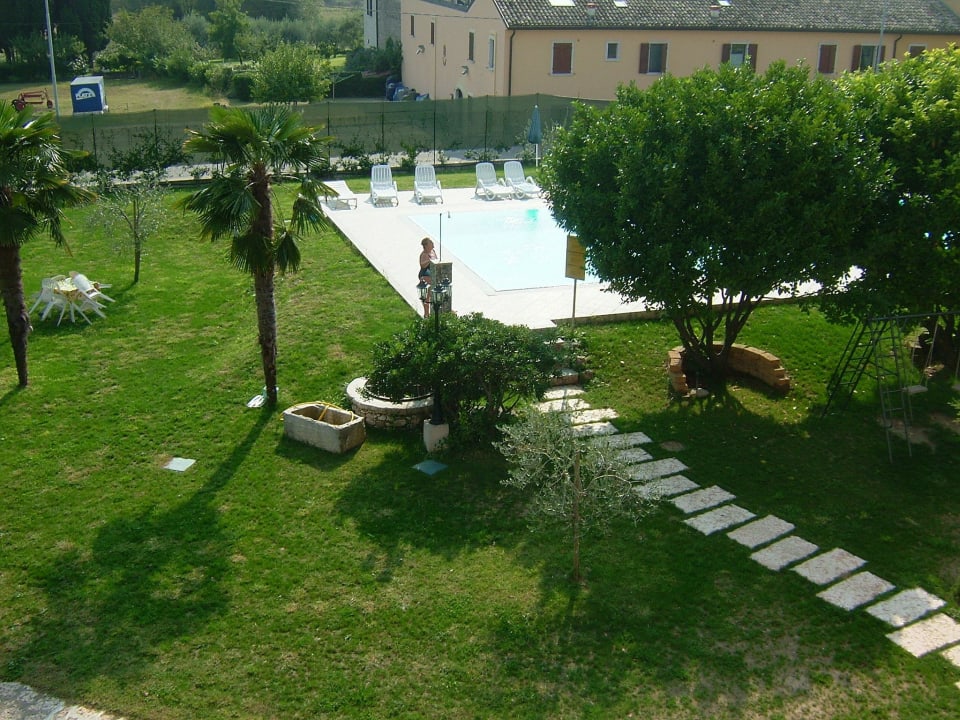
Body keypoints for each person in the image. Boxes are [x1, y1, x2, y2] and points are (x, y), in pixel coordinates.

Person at [418, 237, 437, 317]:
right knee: (427, 295)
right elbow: (422, 265)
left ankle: (431, 312)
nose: (432, 243)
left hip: (432, 274)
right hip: (425, 275)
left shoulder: (433, 252)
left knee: (431, 294)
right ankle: (426, 313)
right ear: (426, 245)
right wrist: (429, 260)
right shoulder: (424, 254)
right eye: (430, 242)